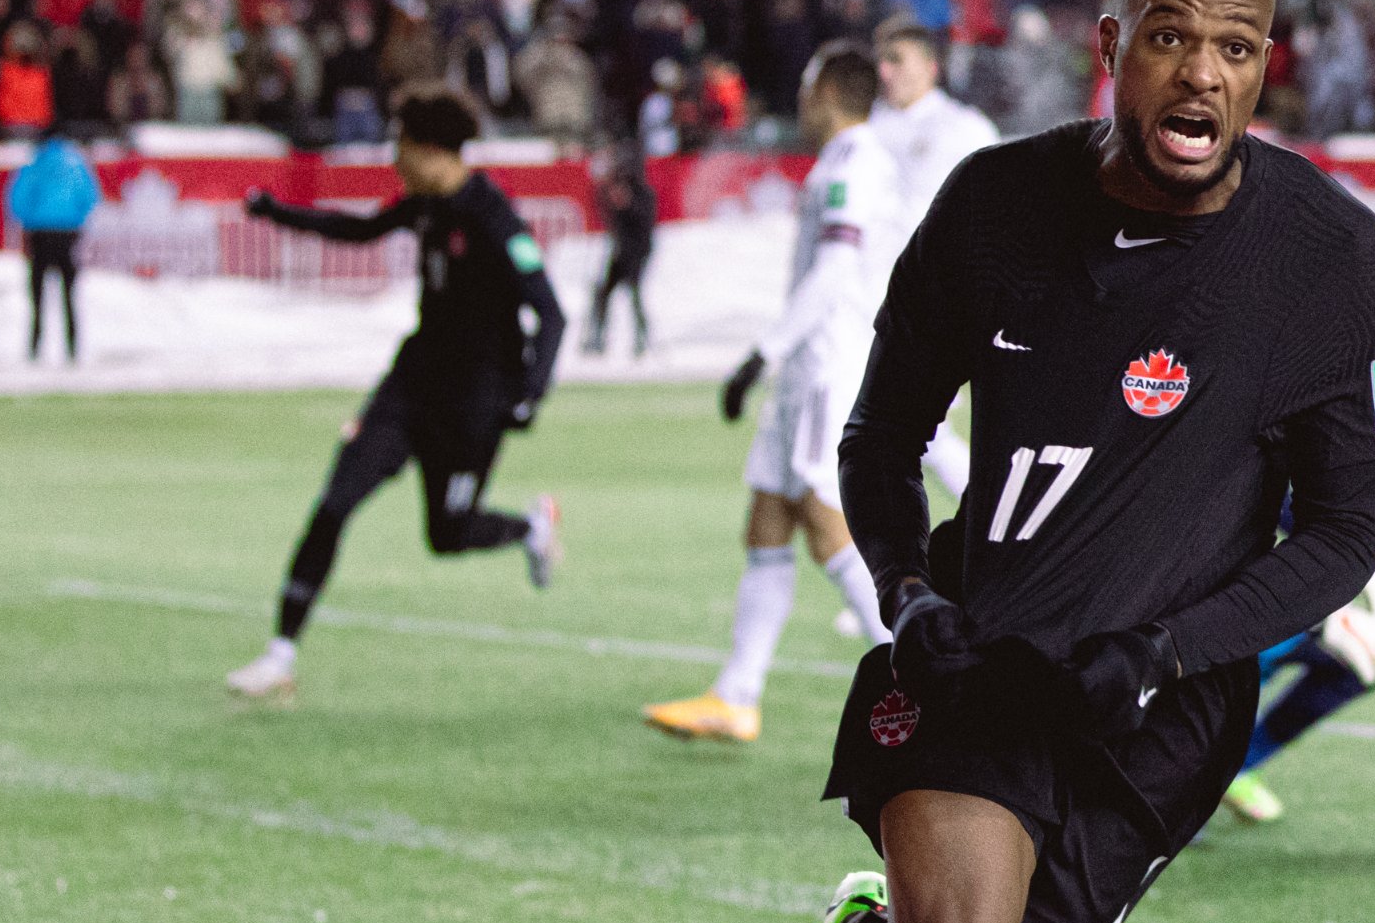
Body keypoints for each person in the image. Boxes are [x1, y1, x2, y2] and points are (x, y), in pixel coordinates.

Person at [751, 0, 1375, 923]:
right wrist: (910, 596)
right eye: (1171, 34)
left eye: (1235, 48)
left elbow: (1349, 535)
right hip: (981, 666)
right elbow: (879, 442)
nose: (1201, 73)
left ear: (1264, 70)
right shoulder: (991, 207)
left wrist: (1169, 652)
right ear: (1112, 46)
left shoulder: (1337, 262)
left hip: (1158, 720)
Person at [223, 88, 566, 702]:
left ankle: (531, 529)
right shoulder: (425, 204)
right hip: (411, 386)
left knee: (448, 534)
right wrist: (278, 214)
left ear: (431, 150)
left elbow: (552, 313)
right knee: (335, 502)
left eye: (400, 144)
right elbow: (359, 231)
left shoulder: (494, 217)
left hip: (474, 405)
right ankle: (280, 655)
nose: (393, 158)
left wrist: (528, 397)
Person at [643, 44, 904, 744]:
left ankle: (929, 678)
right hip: (806, 370)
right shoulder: (843, 163)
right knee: (768, 517)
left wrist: (763, 353)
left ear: (825, 94)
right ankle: (737, 695)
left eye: (805, 86)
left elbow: (835, 273)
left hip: (826, 365)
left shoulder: (857, 165)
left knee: (825, 523)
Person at [866, 15, 1000, 500]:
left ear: (930, 67)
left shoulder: (962, 128)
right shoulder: (867, 128)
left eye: (897, 60)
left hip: (933, 300)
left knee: (907, 423)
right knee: (906, 428)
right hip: (866, 300)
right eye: (881, 61)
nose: (886, 72)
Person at [1215, 557, 1375, 827]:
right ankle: (1189, 782)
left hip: (1319, 616)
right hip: (1282, 607)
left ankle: (1233, 769)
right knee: (1229, 691)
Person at [5, 130, 101, 364]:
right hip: (68, 233)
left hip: (39, 233)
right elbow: (90, 196)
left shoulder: (34, 164)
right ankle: (73, 349)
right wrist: (76, 221)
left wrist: (29, 220)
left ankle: (35, 348)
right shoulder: (76, 165)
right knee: (69, 294)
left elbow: (17, 198)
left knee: (37, 295)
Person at [584, 138, 657, 358]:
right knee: (603, 292)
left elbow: (644, 223)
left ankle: (641, 338)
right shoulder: (613, 193)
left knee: (634, 293)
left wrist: (627, 206)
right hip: (621, 250)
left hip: (637, 251)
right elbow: (609, 219)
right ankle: (598, 337)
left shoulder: (643, 194)